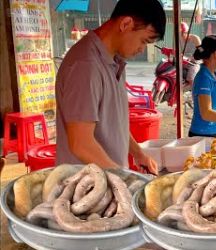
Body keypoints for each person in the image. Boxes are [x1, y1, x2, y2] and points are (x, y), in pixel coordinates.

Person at [55, 0, 166, 174]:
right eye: (143, 41)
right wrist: (124, 178)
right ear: (125, 24)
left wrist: (138, 154)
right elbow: (80, 143)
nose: (141, 49)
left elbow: (114, 124)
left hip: (110, 181)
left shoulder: (114, 60)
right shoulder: (85, 65)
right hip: (87, 188)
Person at [180, 22, 201, 87]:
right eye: (180, 33)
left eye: (184, 33)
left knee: (191, 78)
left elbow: (201, 51)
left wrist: (192, 58)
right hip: (183, 62)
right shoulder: (179, 40)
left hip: (195, 63)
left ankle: (195, 95)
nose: (182, 35)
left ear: (187, 32)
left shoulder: (195, 38)